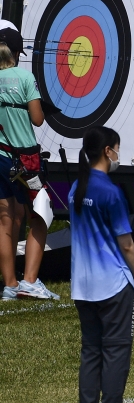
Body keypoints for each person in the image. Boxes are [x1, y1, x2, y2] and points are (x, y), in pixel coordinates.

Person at [69, 126, 134, 403]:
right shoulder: (111, 193)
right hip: (113, 286)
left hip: (83, 287)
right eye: (117, 149)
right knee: (116, 351)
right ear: (107, 151)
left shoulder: (78, 186)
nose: (118, 155)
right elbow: (127, 246)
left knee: (91, 350)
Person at [0, 34, 54, 300]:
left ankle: (10, 285)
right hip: (24, 159)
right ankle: (29, 281)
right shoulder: (24, 77)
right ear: (17, 52)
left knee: (5, 219)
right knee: (41, 215)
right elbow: (38, 118)